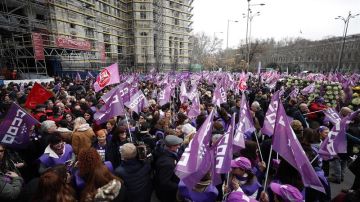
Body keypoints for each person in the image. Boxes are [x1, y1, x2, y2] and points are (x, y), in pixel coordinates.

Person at [154, 135, 183, 202]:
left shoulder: (164, 150)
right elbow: (165, 183)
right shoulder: (167, 163)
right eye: (177, 145)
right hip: (167, 194)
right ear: (171, 147)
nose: (179, 146)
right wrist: (179, 186)